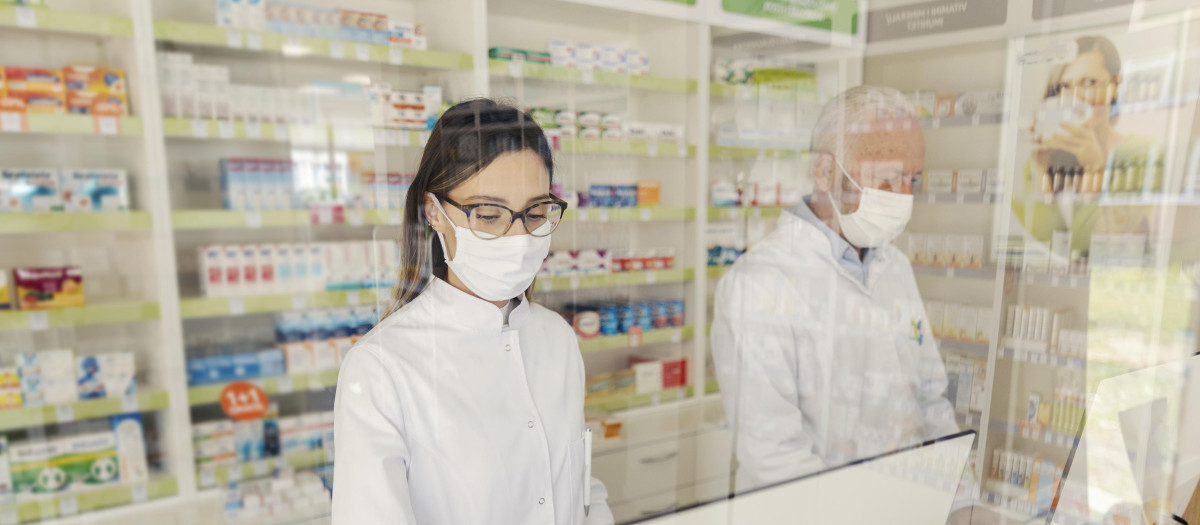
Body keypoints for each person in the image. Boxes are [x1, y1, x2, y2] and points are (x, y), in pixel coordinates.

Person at [332, 98, 613, 524]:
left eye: (536, 212)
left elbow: (580, 488)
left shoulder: (556, 338)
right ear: (434, 212)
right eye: (488, 214)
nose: (519, 235)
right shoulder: (381, 368)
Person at [710, 85, 960, 492]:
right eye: (888, 179)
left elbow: (930, 399)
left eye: (912, 179)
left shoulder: (893, 266)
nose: (904, 196)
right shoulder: (757, 284)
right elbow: (773, 454)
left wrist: (959, 497)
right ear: (826, 172)